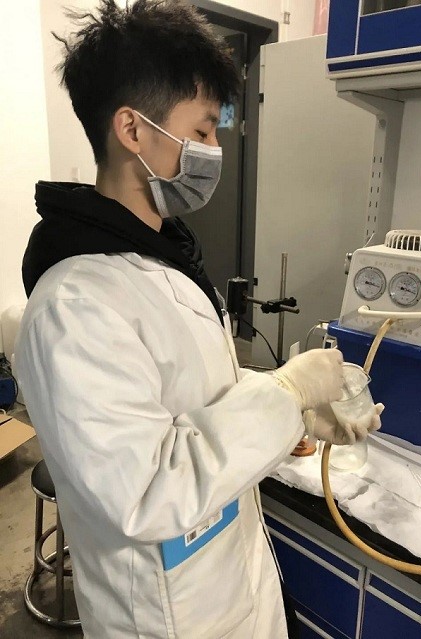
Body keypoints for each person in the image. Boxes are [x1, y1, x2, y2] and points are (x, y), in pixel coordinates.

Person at [15, 2, 383, 637]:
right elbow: (146, 490)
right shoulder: (74, 307)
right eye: (204, 130)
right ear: (132, 130)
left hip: (227, 581)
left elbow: (194, 400)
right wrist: (284, 392)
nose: (215, 150)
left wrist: (295, 416)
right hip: (167, 614)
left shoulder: (159, 259)